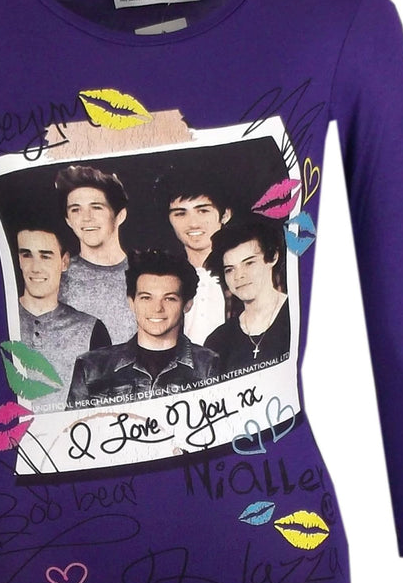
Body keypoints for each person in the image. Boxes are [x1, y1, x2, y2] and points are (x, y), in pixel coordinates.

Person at [67, 249, 220, 408]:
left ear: (187, 304)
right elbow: (75, 423)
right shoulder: (91, 366)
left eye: (169, 299)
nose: (157, 308)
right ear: (132, 302)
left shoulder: (209, 365)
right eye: (146, 298)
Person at [16, 224, 110, 409]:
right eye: (27, 255)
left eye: (45, 256)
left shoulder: (91, 329)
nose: (35, 268)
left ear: (64, 262)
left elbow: (104, 406)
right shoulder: (0, 321)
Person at [55, 165, 137, 344]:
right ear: (68, 221)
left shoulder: (144, 271)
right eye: (76, 209)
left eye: (97, 207)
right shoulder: (57, 279)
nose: (86, 218)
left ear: (120, 216)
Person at [204, 217, 290, 372]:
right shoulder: (218, 340)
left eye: (249, 263)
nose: (239, 276)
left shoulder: (300, 317)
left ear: (272, 258)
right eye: (230, 269)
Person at [158, 170, 232, 344]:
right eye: (180, 213)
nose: (192, 223)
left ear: (225, 215)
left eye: (203, 211)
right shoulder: (161, 277)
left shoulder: (244, 274)